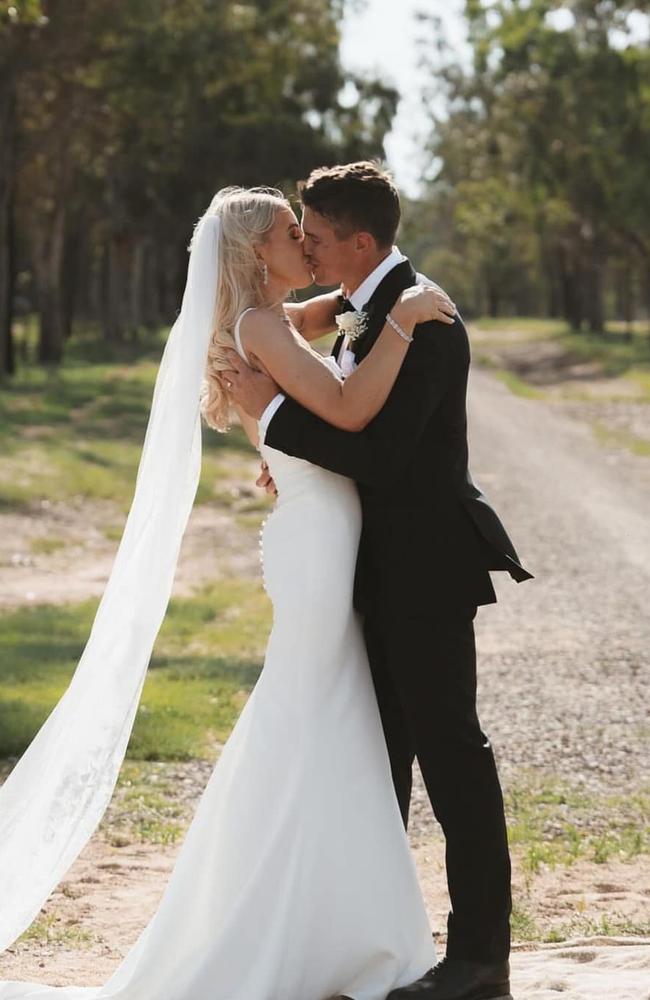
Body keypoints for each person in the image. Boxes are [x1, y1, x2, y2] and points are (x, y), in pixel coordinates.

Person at [0, 185, 460, 1000]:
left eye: (312, 233)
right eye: (294, 234)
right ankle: (294, 918)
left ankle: (319, 912)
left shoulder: (267, 322)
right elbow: (350, 412)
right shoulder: (254, 327)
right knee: (315, 710)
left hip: (320, 529)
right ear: (256, 252)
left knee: (322, 716)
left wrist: (358, 314)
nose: (308, 245)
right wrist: (401, 319)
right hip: (318, 540)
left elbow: (324, 315)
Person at [224, 162, 533, 1000]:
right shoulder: (372, 311)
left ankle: (479, 960)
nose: (307, 247)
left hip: (426, 570)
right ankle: (379, 940)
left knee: (452, 757)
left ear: (360, 240)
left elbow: (382, 452)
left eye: (316, 237)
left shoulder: (422, 319)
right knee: (380, 760)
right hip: (371, 568)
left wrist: (273, 421)